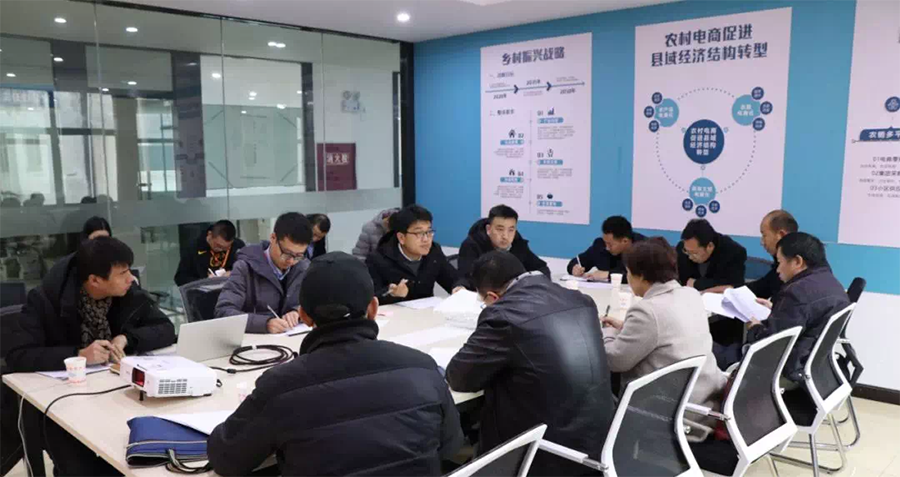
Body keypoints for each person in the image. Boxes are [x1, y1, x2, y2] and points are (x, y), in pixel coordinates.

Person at [208, 252, 463, 477]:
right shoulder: (422, 367)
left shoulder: (281, 386)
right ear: (373, 308)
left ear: (304, 316)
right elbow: (451, 445)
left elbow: (226, 459)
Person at [6, 237, 176, 477]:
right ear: (95, 280)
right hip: (63, 405)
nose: (131, 278)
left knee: (141, 456)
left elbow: (165, 328)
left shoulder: (127, 292)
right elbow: (18, 355)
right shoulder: (46, 299)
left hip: (118, 393)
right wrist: (78, 355)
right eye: (123, 273)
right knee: (84, 469)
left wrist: (127, 338)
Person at [446, 251, 615, 477]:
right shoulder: (581, 300)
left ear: (493, 297)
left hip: (544, 452)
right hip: (600, 441)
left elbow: (459, 377)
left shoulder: (504, 315)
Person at [601, 238, 726, 430]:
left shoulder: (647, 311)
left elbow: (615, 360)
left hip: (669, 412)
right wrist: (625, 329)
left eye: (629, 273)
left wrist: (607, 332)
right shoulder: (691, 295)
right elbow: (664, 333)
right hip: (705, 400)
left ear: (641, 276)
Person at [740, 233, 850, 385]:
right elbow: (808, 314)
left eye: (780, 262)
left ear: (798, 261)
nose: (778, 270)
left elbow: (770, 345)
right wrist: (778, 309)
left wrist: (754, 328)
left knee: (722, 355)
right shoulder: (832, 283)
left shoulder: (796, 293)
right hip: (816, 369)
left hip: (788, 369)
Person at [214, 212, 311, 334]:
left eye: (298, 255)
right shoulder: (245, 267)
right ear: (273, 238)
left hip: (291, 340)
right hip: (256, 342)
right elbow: (223, 312)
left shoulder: (302, 267)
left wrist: (298, 312)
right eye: (286, 253)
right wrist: (265, 323)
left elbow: (316, 304)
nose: (291, 261)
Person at [366, 204, 466, 305]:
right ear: (401, 238)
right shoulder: (378, 259)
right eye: (419, 233)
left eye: (429, 232)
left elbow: (453, 279)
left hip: (426, 312)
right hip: (394, 314)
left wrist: (459, 287)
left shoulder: (434, 251)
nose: (426, 239)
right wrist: (393, 294)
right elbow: (370, 299)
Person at [458, 204, 549, 286]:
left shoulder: (518, 244)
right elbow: (466, 279)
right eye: (500, 229)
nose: (505, 236)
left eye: (511, 230)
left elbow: (541, 268)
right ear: (488, 229)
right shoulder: (472, 245)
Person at [567, 216, 646, 282]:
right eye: (605, 242)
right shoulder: (600, 245)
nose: (607, 248)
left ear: (624, 241)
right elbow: (577, 261)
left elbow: (642, 276)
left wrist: (608, 274)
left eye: (610, 244)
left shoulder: (644, 249)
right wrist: (574, 269)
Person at [676, 219, 747, 291]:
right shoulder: (683, 249)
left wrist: (697, 284)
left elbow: (735, 286)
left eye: (694, 253)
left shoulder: (734, 252)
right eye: (687, 252)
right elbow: (682, 280)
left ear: (710, 246)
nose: (690, 257)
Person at [174, 220, 246, 286]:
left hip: (231, 291)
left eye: (226, 248)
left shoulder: (238, 246)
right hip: (203, 292)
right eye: (218, 245)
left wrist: (233, 273)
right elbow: (180, 278)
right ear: (209, 234)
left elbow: (247, 270)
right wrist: (204, 281)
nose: (220, 249)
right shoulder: (193, 248)